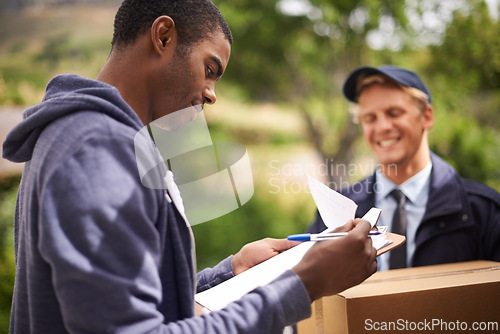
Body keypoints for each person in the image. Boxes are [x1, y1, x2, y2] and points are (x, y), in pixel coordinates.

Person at [2, 1, 378, 333]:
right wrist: (305, 283)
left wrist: (230, 271)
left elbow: (134, 299)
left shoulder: (93, 137)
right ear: (163, 36)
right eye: (210, 69)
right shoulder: (95, 151)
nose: (212, 94)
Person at [308, 65, 500, 271]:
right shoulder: (337, 211)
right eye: (370, 118)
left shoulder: (482, 210)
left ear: (426, 116)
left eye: (394, 113)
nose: (382, 127)